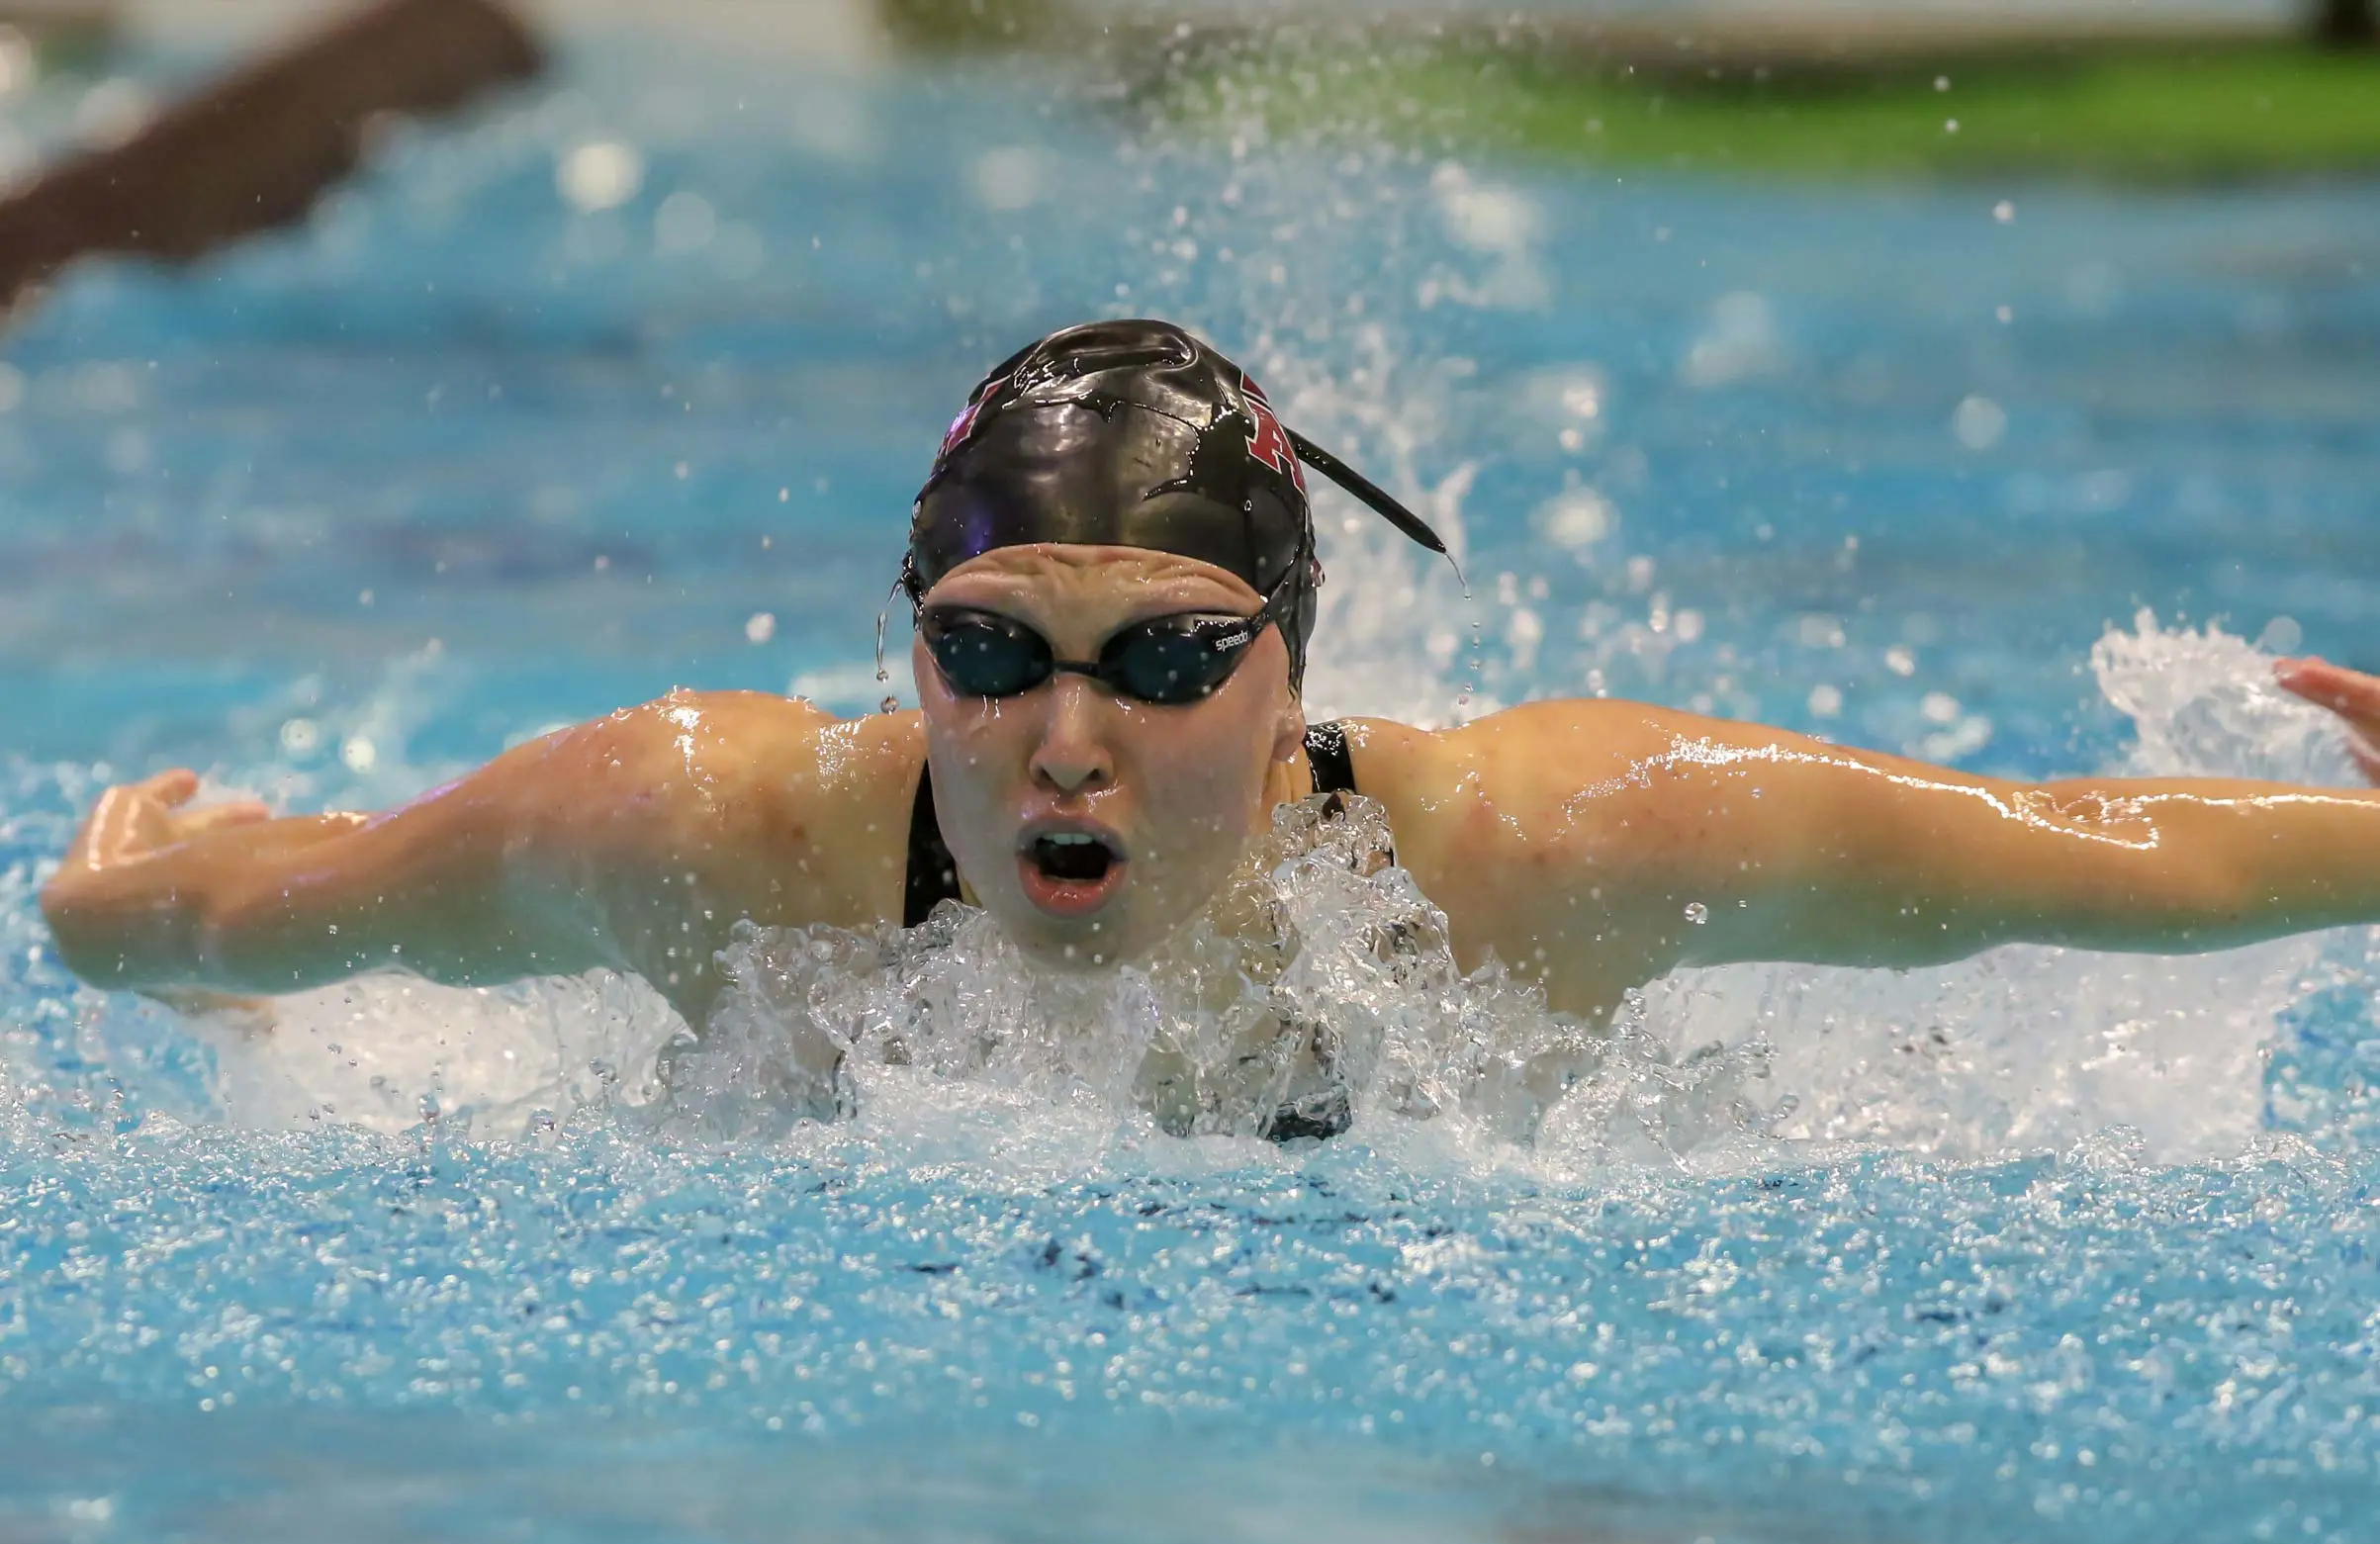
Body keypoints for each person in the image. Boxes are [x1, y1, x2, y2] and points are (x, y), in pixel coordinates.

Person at [39, 318, 2380, 1072]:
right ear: (912, 652)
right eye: (988, 652)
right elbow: (259, 906)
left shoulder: (1549, 850)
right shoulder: (698, 829)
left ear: (1288, 683)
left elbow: (2088, 850)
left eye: (1165, 658)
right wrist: (112, 901)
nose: (1065, 736)